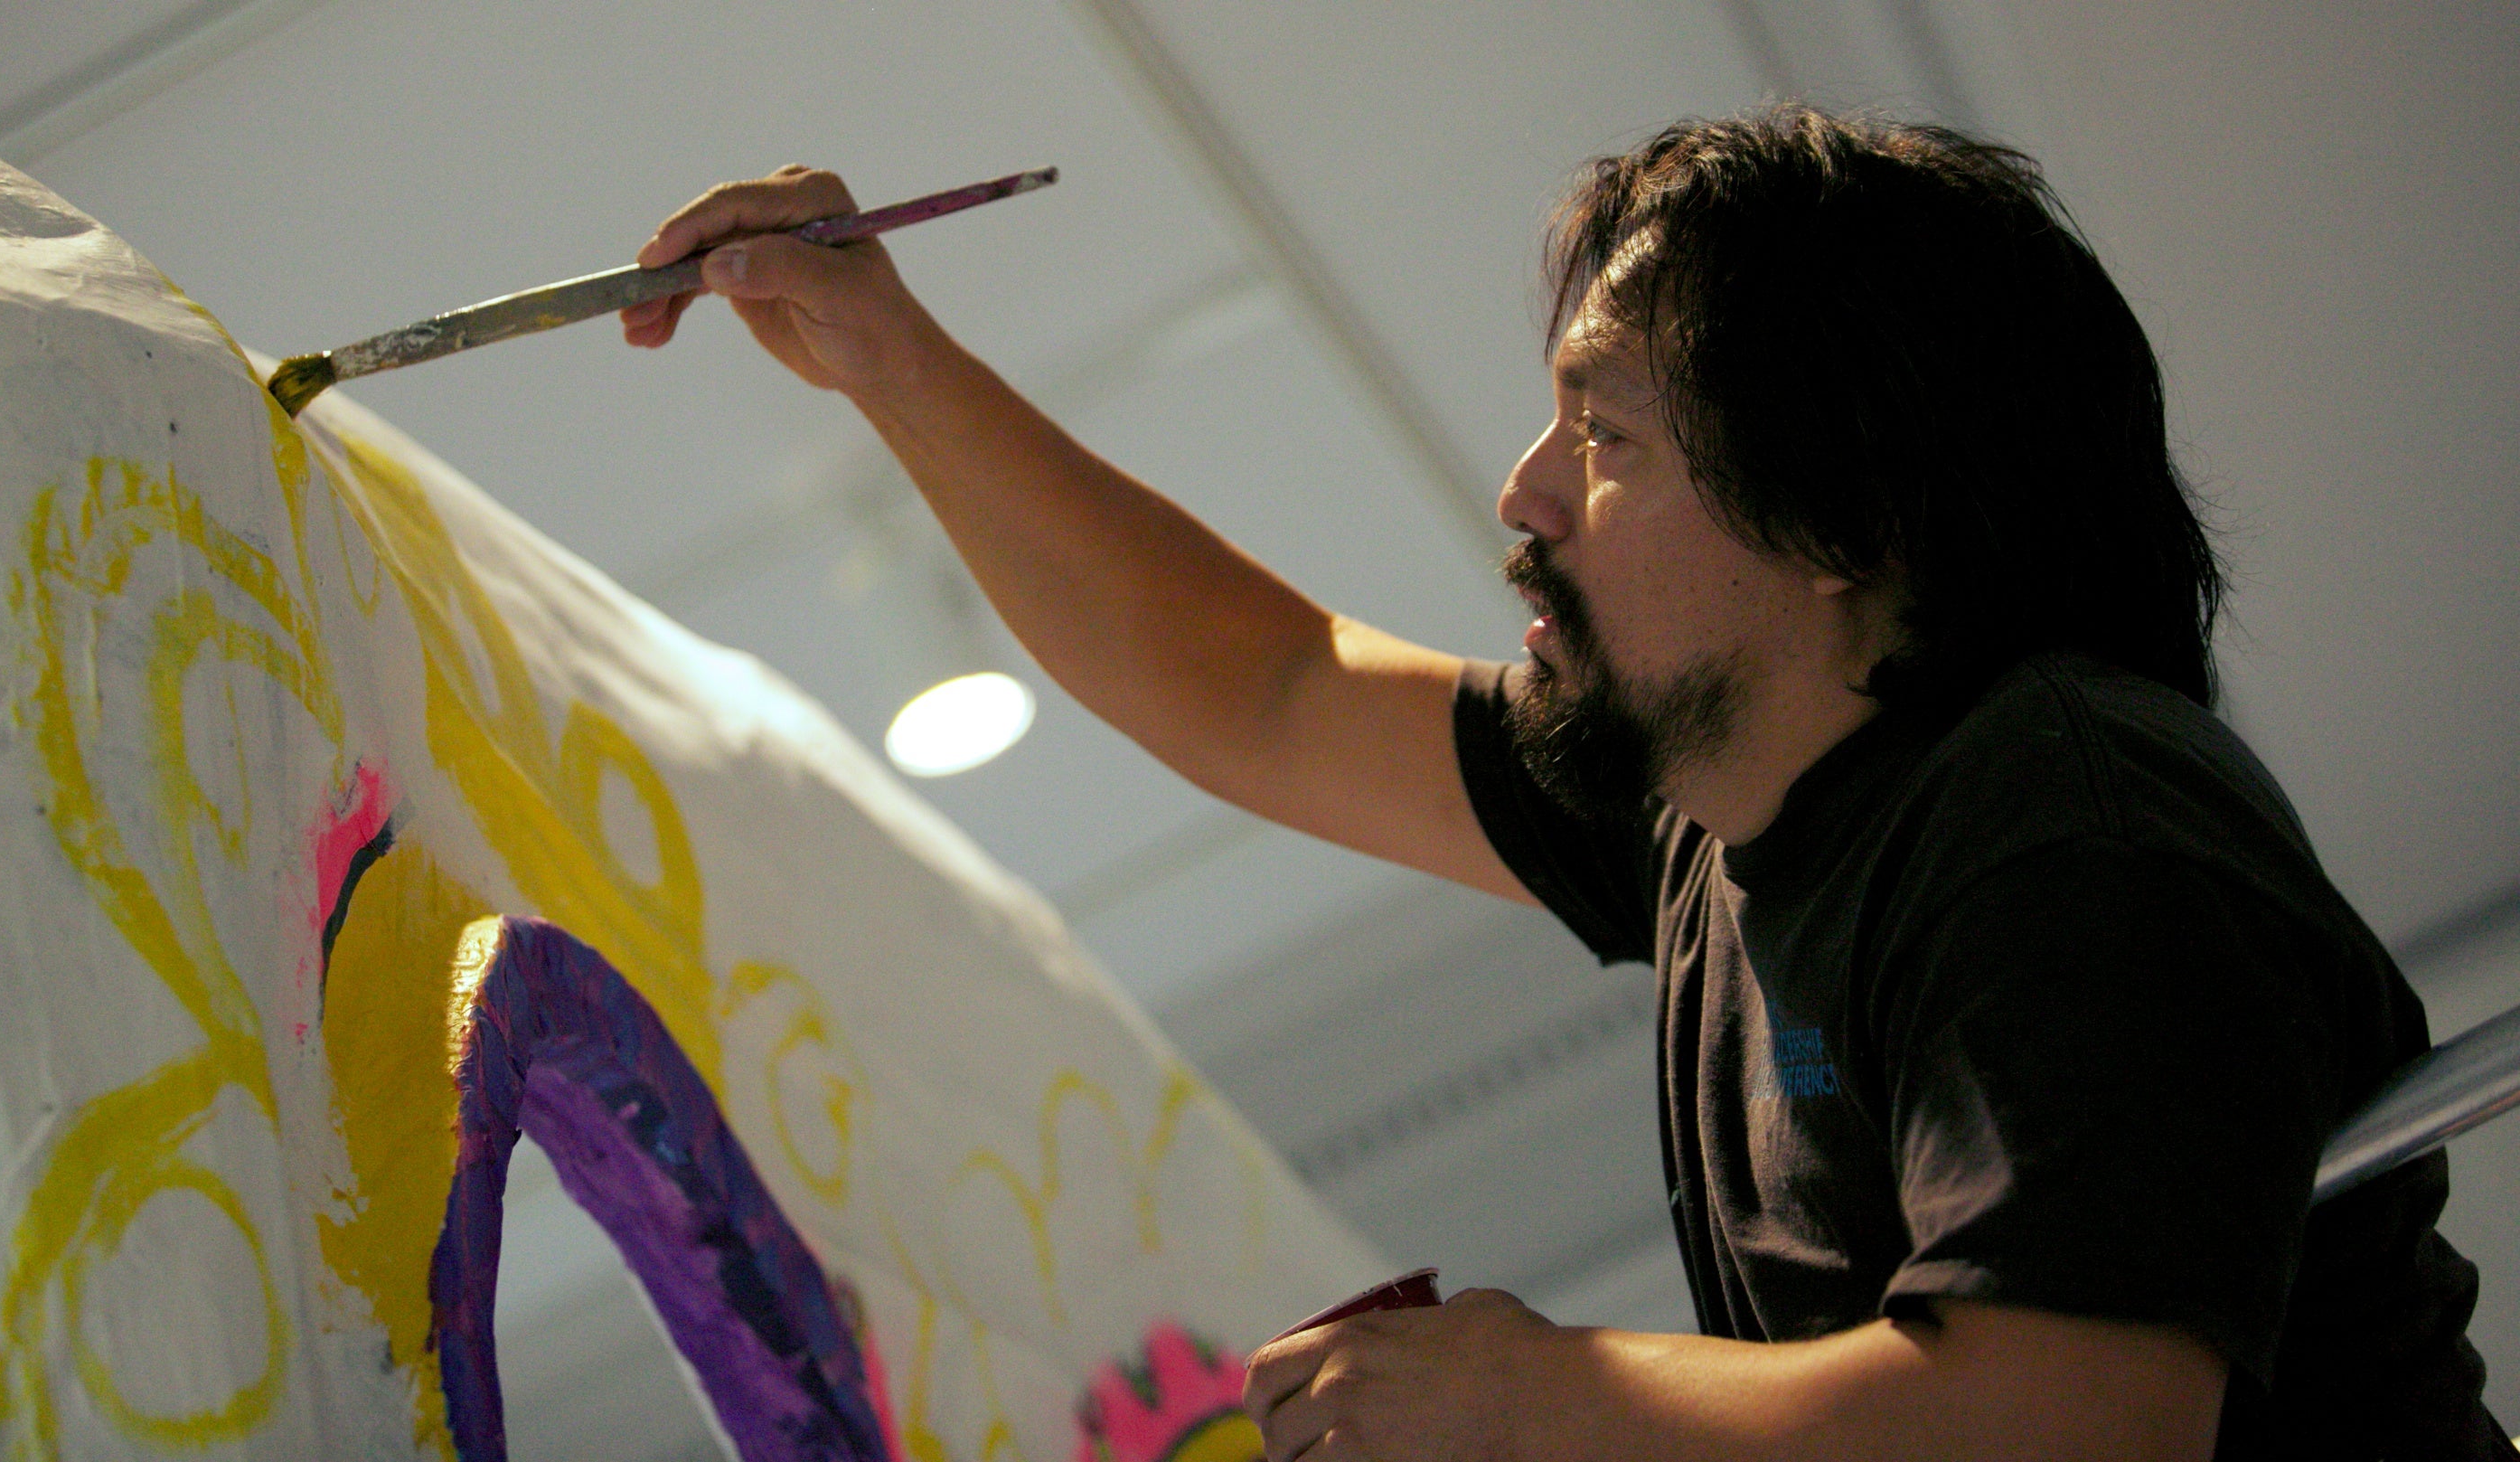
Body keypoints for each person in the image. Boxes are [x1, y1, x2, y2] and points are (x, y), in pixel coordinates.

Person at [624, 107, 2507, 1458]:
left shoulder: (2057, 819)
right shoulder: (1720, 809)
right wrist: (889, 360)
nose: (1521, 491)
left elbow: (2070, 1414)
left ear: (1846, 505)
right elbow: (1263, 688)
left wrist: (1542, 1400)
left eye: (1603, 429)